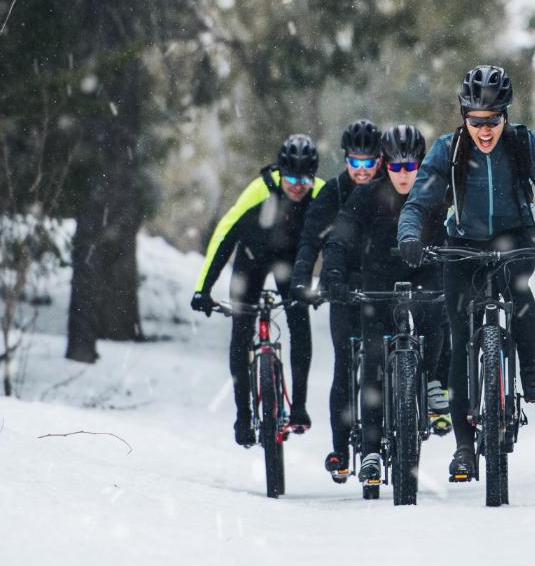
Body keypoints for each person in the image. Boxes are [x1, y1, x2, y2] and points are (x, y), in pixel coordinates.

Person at [397, 64, 535, 482]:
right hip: (463, 243)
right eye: (476, 122)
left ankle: (530, 367)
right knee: (458, 331)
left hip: (515, 237)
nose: (485, 131)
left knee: (517, 288)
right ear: (464, 117)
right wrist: (410, 235)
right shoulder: (448, 150)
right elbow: (418, 202)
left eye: (494, 120)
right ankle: (464, 448)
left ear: (506, 115)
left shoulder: (523, 144)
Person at [321, 123, 449, 491]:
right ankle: (373, 451)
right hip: (376, 283)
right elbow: (340, 238)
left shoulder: (435, 194)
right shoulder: (366, 195)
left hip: (423, 276)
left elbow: (455, 236)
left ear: (422, 165)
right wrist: (333, 274)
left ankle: (430, 382)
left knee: (435, 318)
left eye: (411, 167)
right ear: (384, 166)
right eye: (395, 167)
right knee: (374, 357)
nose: (403, 175)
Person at [190, 134, 322, 446]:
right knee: (241, 329)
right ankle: (243, 415)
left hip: (292, 262)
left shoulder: (321, 193)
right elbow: (225, 235)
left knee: (299, 320)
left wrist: (333, 282)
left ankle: (298, 408)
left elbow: (342, 237)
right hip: (252, 260)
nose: (298, 185)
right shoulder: (259, 190)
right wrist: (202, 289)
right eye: (291, 177)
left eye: (305, 178)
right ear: (280, 172)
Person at [288, 118, 384, 482]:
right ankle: (341, 450)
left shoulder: (387, 190)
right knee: (344, 363)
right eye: (355, 163)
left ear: (379, 160)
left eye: (369, 162)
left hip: (378, 284)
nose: (362, 170)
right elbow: (311, 240)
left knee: (379, 362)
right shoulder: (332, 193)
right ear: (345, 160)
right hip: (341, 283)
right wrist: (301, 277)